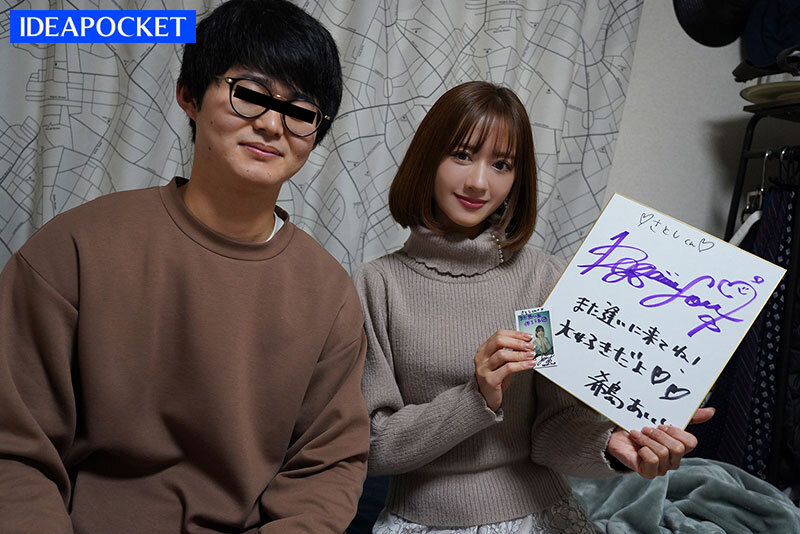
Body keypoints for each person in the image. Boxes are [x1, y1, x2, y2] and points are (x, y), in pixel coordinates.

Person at [0, 1, 369, 532]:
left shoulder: (329, 293)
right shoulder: (75, 247)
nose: (272, 124)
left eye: (301, 111)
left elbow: (326, 468)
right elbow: (15, 449)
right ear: (189, 97)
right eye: (250, 94)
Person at [353, 81, 714, 533]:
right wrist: (475, 397)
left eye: (501, 164)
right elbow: (373, 444)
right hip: (422, 520)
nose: (479, 182)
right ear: (427, 158)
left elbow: (551, 431)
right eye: (462, 155)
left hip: (542, 515)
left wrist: (611, 446)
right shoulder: (377, 285)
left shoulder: (543, 281)